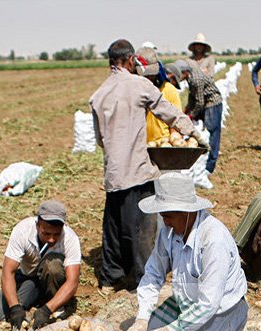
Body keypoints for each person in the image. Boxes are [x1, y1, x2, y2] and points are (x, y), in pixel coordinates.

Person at [90, 39, 203, 294]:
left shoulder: (98, 95)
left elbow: (99, 140)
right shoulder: (139, 85)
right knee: (141, 229)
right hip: (137, 170)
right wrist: (192, 132)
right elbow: (169, 112)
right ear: (130, 61)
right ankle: (145, 279)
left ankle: (109, 278)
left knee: (113, 225)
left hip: (113, 172)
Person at [119, 172, 248, 331]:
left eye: (168, 216)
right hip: (186, 303)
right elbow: (153, 273)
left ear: (188, 212)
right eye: (163, 216)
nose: (165, 222)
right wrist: (142, 318)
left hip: (220, 312)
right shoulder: (169, 231)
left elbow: (208, 305)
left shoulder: (213, 240)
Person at [0, 200, 81, 331]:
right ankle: (37, 296)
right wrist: (14, 307)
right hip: (28, 278)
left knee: (53, 265)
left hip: (53, 278)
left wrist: (47, 310)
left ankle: (55, 304)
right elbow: (8, 271)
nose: (51, 239)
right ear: (37, 225)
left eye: (56, 234)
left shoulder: (70, 238)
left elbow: (72, 282)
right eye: (46, 233)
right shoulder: (22, 231)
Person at [165, 61, 223, 174]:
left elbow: (200, 102)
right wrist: (186, 110)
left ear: (185, 72)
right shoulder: (190, 78)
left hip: (212, 103)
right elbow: (193, 96)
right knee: (204, 130)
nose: (179, 79)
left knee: (212, 132)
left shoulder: (196, 79)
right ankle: (203, 160)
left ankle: (210, 166)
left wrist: (191, 115)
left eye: (179, 76)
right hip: (205, 102)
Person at [134, 46, 182, 145]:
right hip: (139, 146)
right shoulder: (131, 91)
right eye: (146, 76)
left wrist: (175, 140)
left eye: (152, 75)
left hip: (162, 145)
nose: (149, 79)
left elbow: (175, 122)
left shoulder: (168, 90)